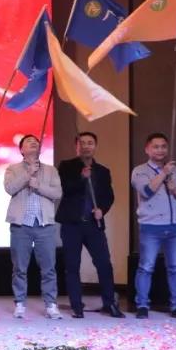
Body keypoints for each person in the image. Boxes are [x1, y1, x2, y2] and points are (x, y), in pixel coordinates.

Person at [57, 132, 122, 318]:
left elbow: (109, 196)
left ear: (95, 146)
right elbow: (64, 189)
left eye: (90, 143)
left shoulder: (103, 171)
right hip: (71, 224)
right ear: (76, 147)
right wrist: (81, 178)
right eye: (82, 143)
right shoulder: (66, 166)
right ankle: (76, 305)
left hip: (94, 224)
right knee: (72, 265)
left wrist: (102, 209)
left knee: (104, 264)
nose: (86, 146)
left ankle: (109, 303)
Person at [132, 132, 176, 319]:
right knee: (146, 267)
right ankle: (142, 305)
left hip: (175, 226)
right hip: (151, 226)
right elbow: (146, 191)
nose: (160, 150)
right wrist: (163, 173)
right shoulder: (139, 171)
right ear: (147, 149)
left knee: (175, 267)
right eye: (156, 147)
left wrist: (175, 188)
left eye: (163, 146)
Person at [4, 135, 63, 320]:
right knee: (19, 267)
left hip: (45, 224)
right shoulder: (13, 169)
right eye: (29, 142)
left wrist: (39, 186)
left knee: (48, 267)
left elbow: (57, 193)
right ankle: (20, 303)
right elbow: (9, 188)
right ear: (21, 150)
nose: (33, 144)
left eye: (36, 142)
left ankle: (51, 304)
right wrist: (27, 174)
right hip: (21, 224)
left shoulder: (51, 170)